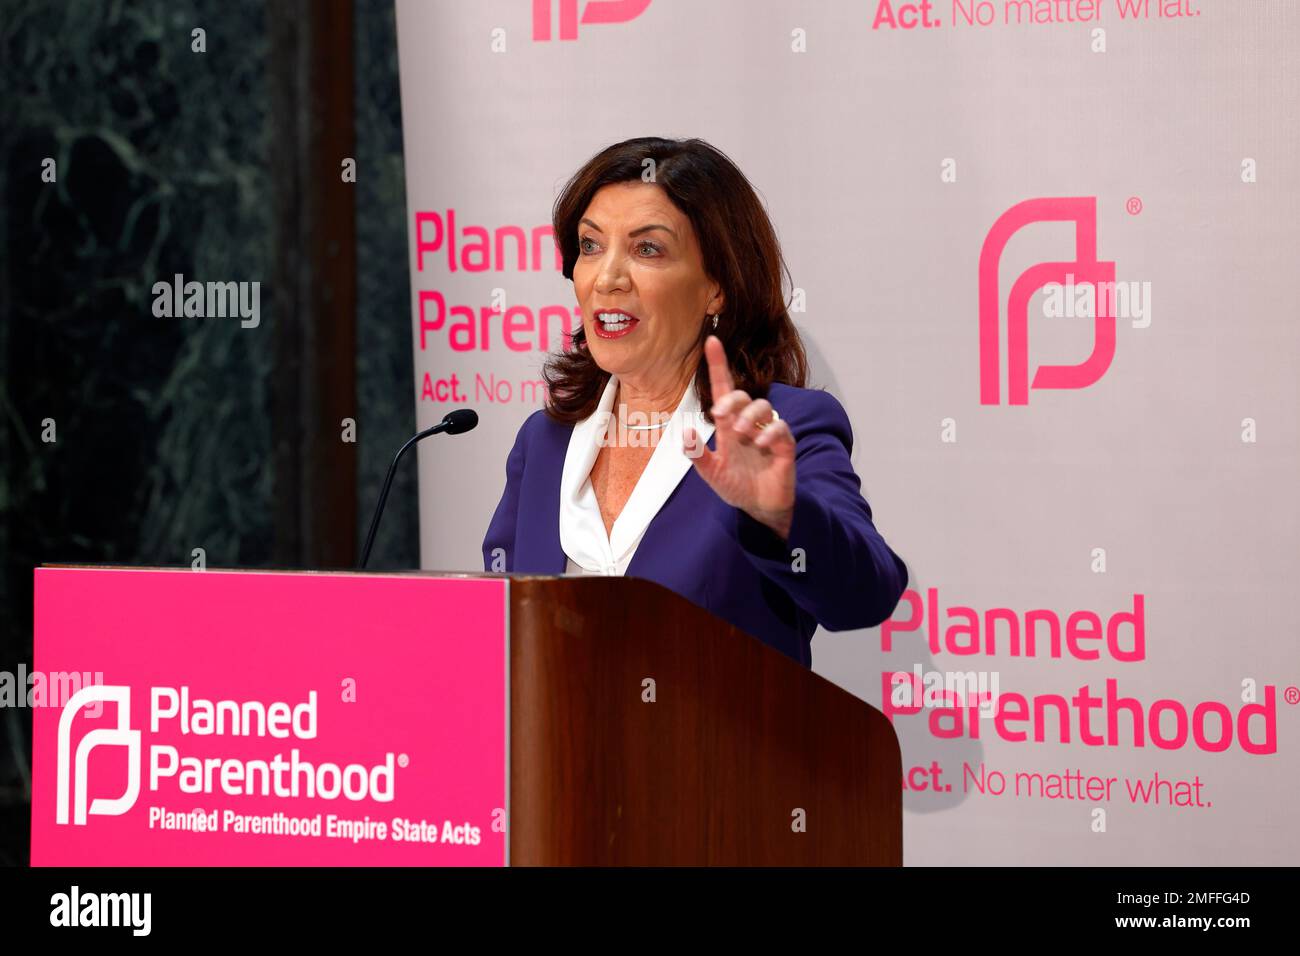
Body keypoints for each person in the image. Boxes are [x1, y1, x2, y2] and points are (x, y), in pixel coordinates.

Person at [482, 136, 907, 667]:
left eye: (647, 249)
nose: (607, 278)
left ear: (716, 287)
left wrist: (778, 514)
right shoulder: (544, 442)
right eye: (591, 246)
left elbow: (864, 597)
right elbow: (498, 632)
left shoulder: (780, 427)